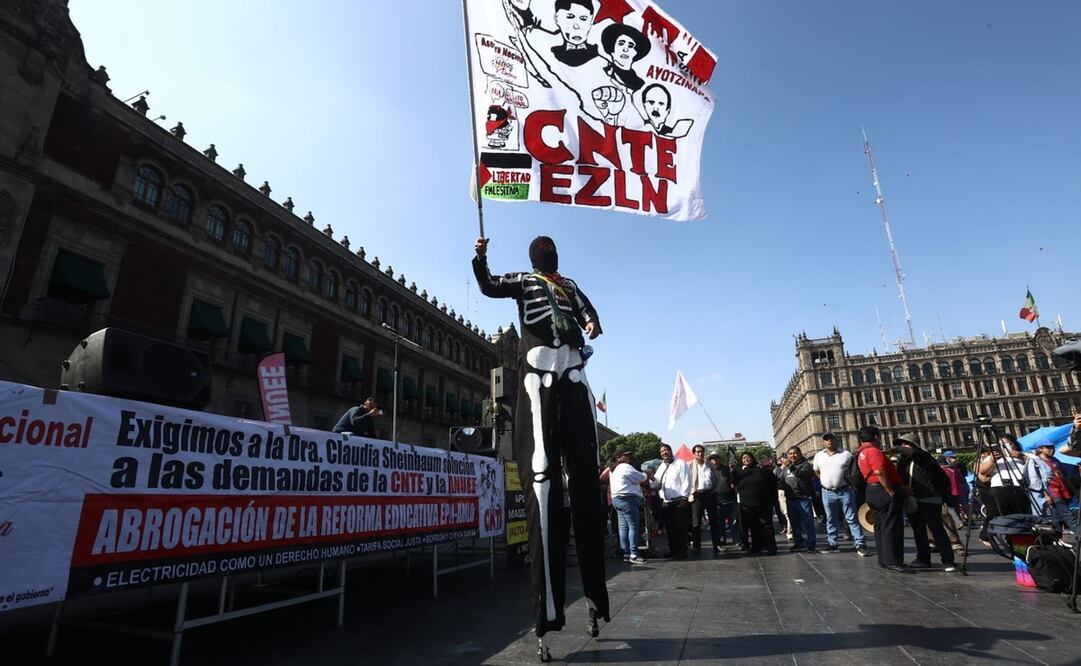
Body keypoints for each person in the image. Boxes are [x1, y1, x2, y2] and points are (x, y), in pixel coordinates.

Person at [472, 235, 608, 638]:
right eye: (544, 251)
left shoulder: (569, 284)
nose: (549, 254)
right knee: (541, 469)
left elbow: (591, 315)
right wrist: (480, 258)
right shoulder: (524, 281)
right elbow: (489, 285)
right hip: (537, 367)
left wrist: (591, 323)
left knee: (584, 472)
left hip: (572, 367)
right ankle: (547, 608)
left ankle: (595, 595)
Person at [894, 434, 956, 572]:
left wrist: (905, 450)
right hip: (912, 499)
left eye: (906, 444)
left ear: (914, 445)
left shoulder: (924, 456)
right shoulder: (902, 461)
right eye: (901, 444)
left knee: (937, 529)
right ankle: (923, 558)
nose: (903, 447)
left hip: (929, 498)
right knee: (918, 531)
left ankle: (948, 560)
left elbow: (920, 457)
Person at [857, 425, 908, 573]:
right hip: (882, 490)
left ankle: (884, 560)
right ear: (876, 437)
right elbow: (879, 472)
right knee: (891, 526)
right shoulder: (873, 451)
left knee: (880, 526)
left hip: (871, 491)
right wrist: (890, 490)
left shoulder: (861, 452)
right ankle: (893, 561)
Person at [812, 433, 867, 556]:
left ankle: (860, 544)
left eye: (831, 438)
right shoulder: (818, 456)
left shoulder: (846, 454)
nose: (829, 441)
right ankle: (833, 543)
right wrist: (825, 481)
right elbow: (816, 470)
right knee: (831, 519)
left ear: (836, 440)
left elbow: (854, 471)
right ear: (823, 442)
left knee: (851, 518)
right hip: (827, 492)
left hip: (845, 491)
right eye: (826, 439)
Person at [977, 434, 1032, 544]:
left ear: (1015, 444)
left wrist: (1022, 456)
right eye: (1002, 445)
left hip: (1019, 488)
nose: (1006, 447)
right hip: (999, 487)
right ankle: (986, 535)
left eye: (1009, 444)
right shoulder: (993, 456)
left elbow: (1036, 465)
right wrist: (993, 460)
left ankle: (1015, 538)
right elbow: (982, 471)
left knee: (1019, 516)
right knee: (995, 513)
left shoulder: (1024, 456)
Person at [731, 451, 778, 555]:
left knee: (766, 525)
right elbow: (733, 484)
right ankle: (757, 547)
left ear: (752, 458)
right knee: (753, 526)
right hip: (747, 504)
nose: (746, 459)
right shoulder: (739, 472)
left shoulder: (762, 470)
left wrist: (772, 499)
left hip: (763, 503)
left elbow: (773, 483)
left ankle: (771, 547)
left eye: (748, 457)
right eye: (743, 458)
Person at [650, 443, 692, 559]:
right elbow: (656, 483)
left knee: (680, 528)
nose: (664, 453)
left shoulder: (680, 463)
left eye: (666, 450)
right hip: (666, 502)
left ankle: (682, 551)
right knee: (670, 528)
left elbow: (686, 481)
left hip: (679, 501)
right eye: (662, 451)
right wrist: (651, 477)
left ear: (670, 451)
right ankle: (673, 550)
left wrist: (684, 497)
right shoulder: (662, 466)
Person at [609, 451, 648, 563]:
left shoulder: (613, 469)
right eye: (625, 455)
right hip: (627, 499)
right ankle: (634, 554)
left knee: (623, 528)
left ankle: (626, 553)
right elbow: (640, 477)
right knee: (633, 527)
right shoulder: (625, 467)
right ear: (619, 458)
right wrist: (646, 474)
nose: (628, 457)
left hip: (617, 499)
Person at [1033, 442, 1077, 532]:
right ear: (1040, 449)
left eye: (1053, 447)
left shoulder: (1055, 460)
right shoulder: (1036, 461)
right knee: (1068, 516)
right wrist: (1045, 494)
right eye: (1048, 447)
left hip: (1064, 491)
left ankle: (1057, 537)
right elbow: (1037, 480)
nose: (1052, 449)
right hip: (1053, 492)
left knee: (1057, 518)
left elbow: (1063, 475)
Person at [688, 445, 723, 555]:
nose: (700, 454)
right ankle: (696, 546)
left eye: (702, 451)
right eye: (698, 452)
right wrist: (692, 491)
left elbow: (717, 479)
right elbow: (686, 481)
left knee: (714, 521)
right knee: (696, 522)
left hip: (710, 494)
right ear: (694, 453)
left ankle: (717, 545)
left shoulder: (710, 465)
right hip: (697, 495)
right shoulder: (689, 465)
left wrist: (716, 490)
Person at [782, 446, 817, 553]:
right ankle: (798, 543)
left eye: (795, 453)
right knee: (795, 524)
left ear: (800, 453)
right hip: (790, 499)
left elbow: (802, 474)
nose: (792, 455)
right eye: (790, 454)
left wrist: (790, 466)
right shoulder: (786, 468)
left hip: (803, 499)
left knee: (808, 523)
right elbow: (782, 481)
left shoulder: (806, 465)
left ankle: (811, 544)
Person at [710, 452, 741, 548]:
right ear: (710, 460)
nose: (715, 460)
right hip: (717, 502)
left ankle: (736, 540)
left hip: (731, 500)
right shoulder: (709, 471)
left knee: (734, 523)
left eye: (716, 457)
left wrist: (732, 469)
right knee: (720, 523)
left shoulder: (727, 468)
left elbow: (734, 481)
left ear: (719, 458)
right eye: (712, 458)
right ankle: (722, 539)